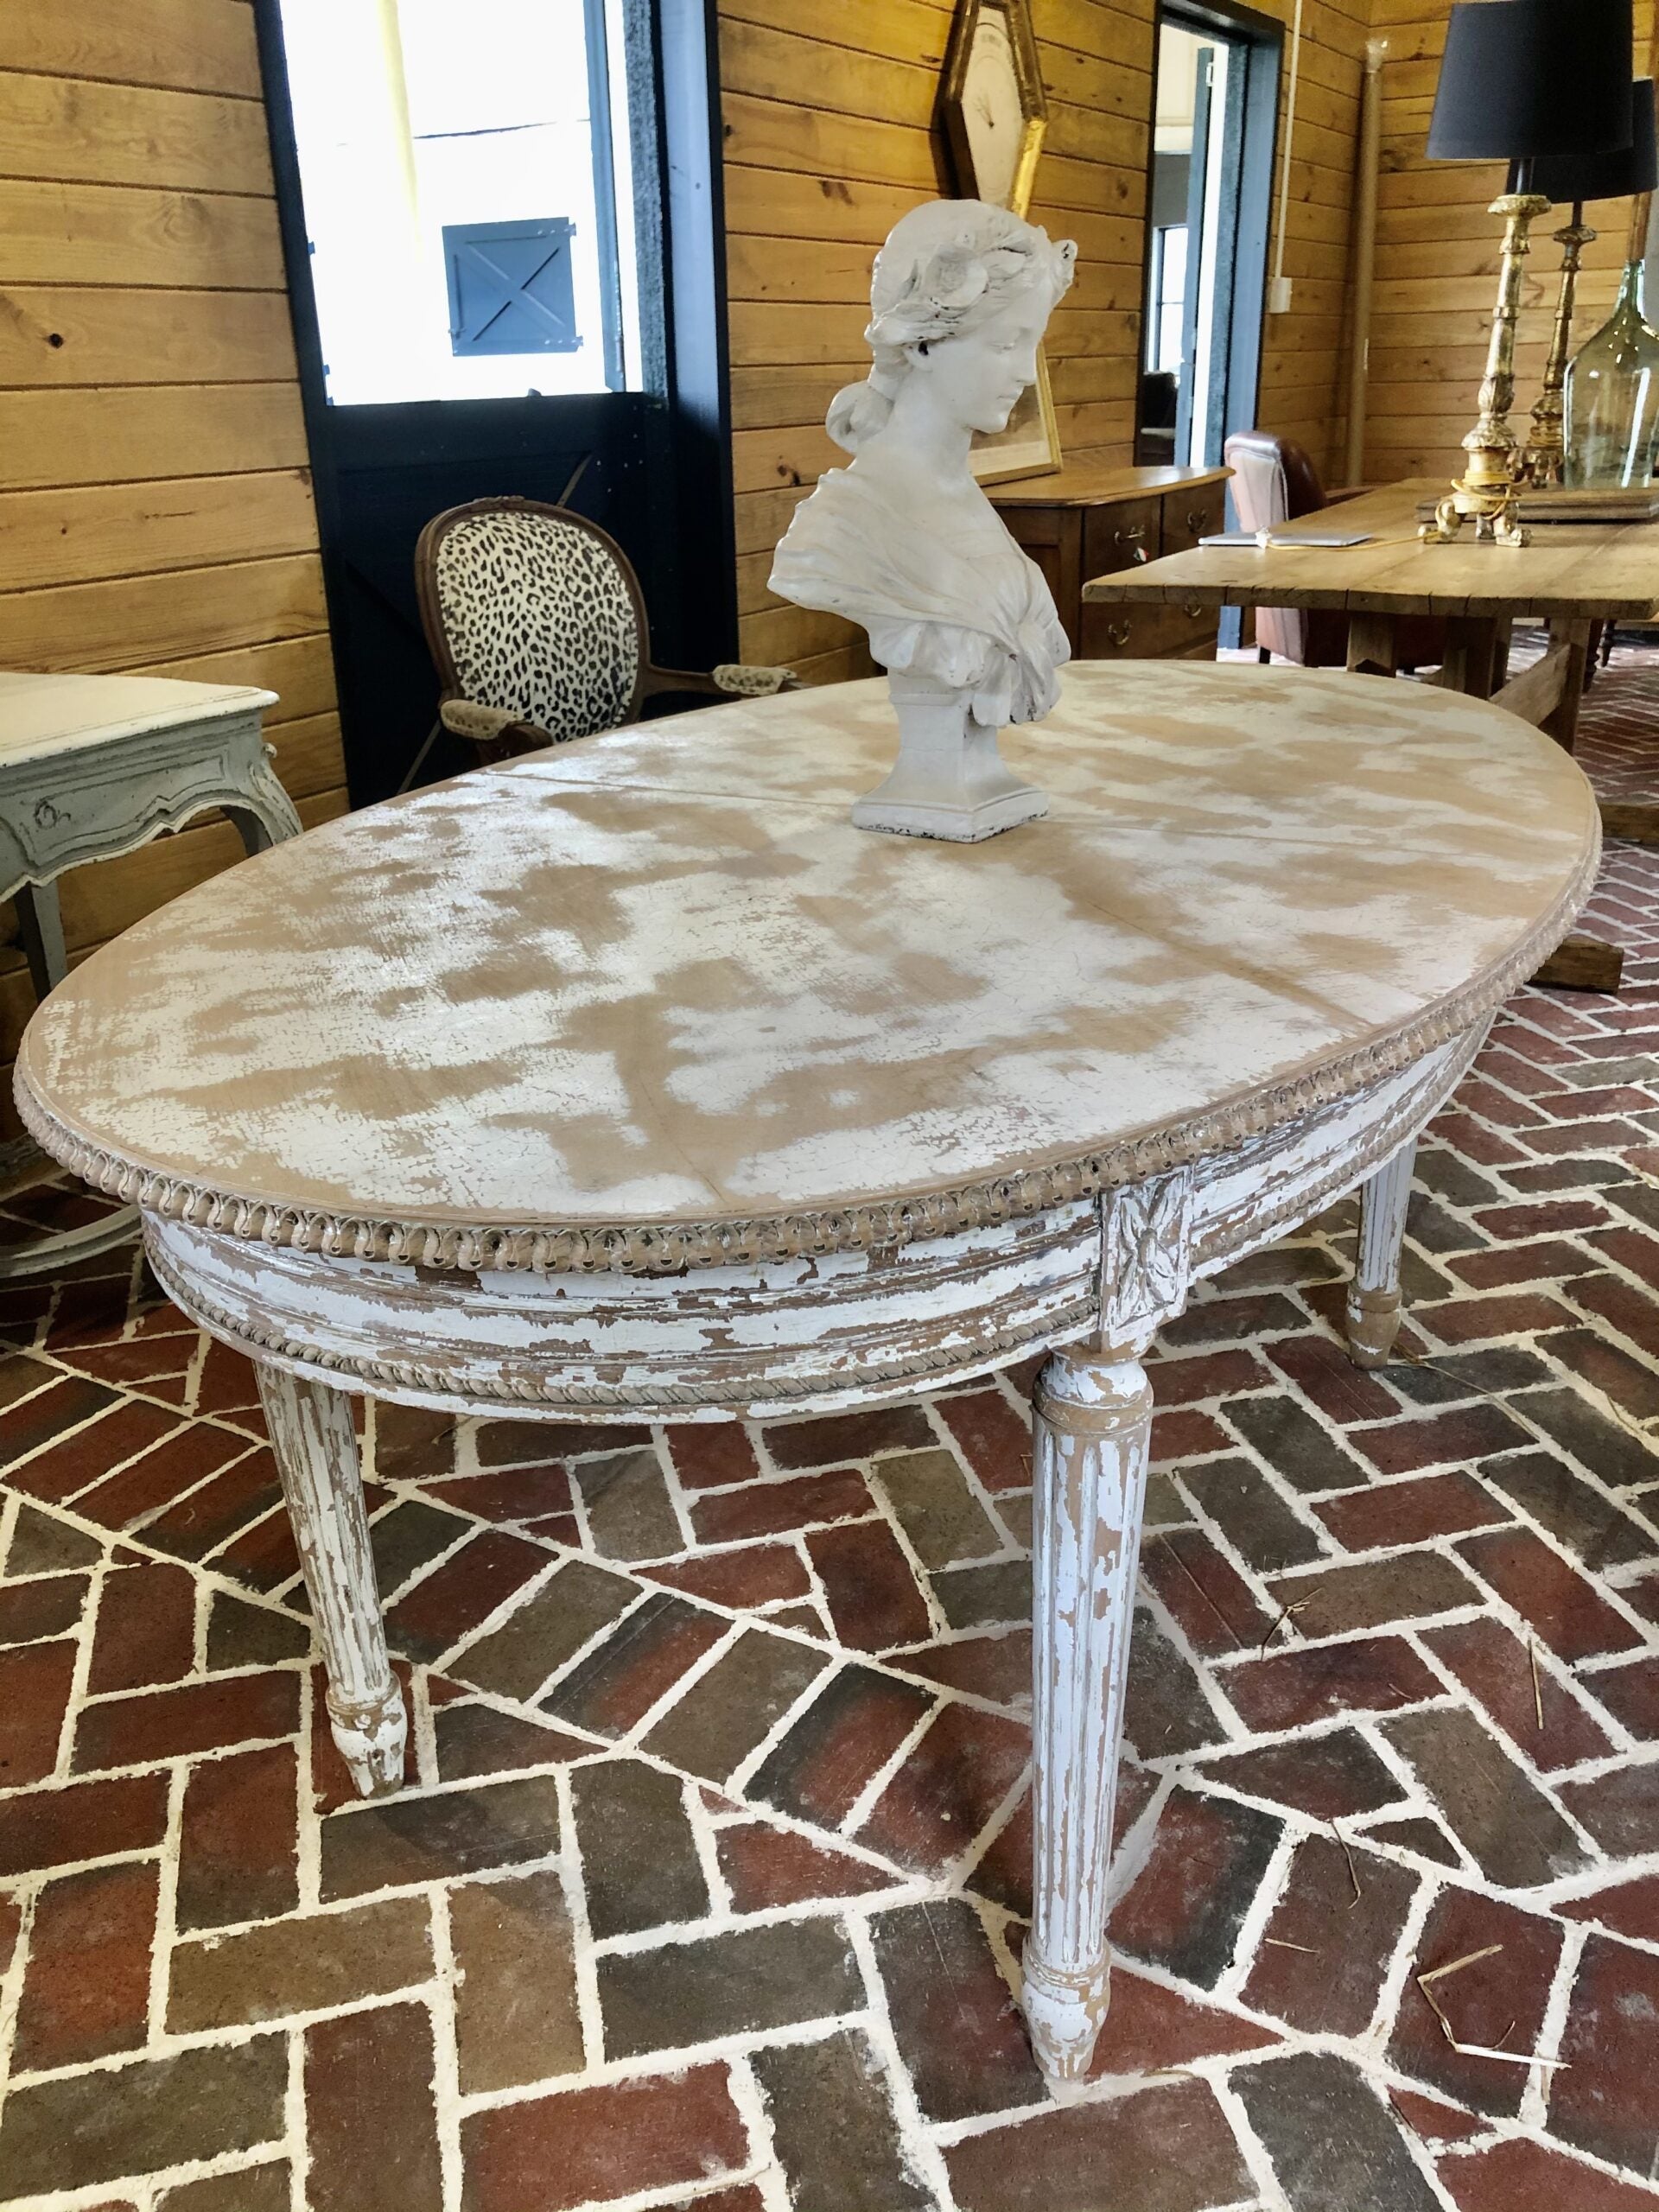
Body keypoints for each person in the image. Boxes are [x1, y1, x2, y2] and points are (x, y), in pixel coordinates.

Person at [771, 198, 1077, 731]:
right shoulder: (843, 526)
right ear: (923, 346)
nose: (1028, 374)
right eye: (1006, 344)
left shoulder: (963, 497)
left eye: (1033, 345)